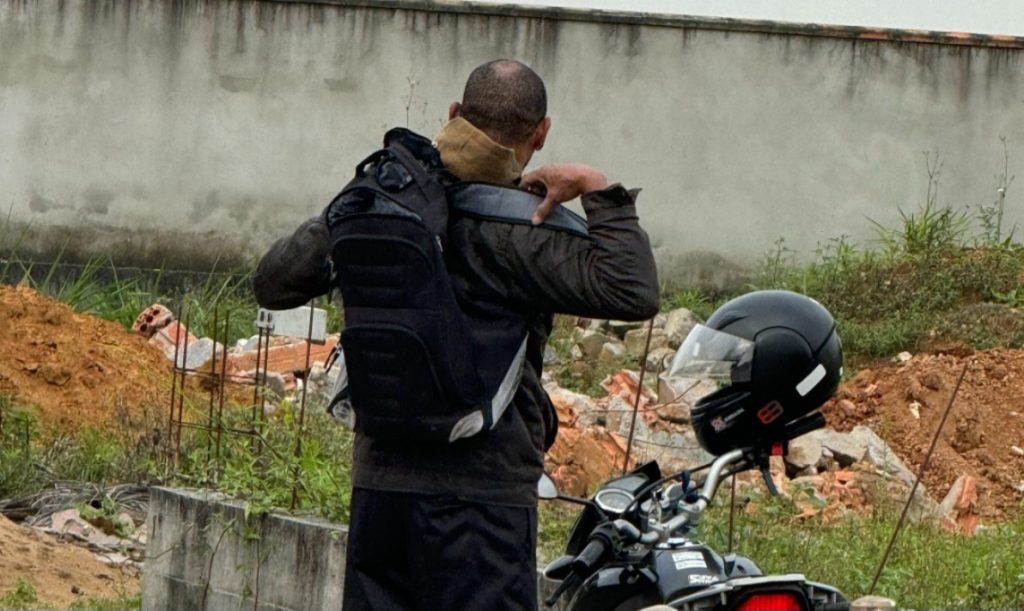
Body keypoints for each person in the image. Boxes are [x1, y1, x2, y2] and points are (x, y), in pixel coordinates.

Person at [253, 59, 659, 611]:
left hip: (382, 486)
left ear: (452, 114)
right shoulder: (523, 231)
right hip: (483, 496)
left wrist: (353, 204)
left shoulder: (382, 204)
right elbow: (632, 292)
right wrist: (595, 186)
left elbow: (273, 283)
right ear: (540, 135)